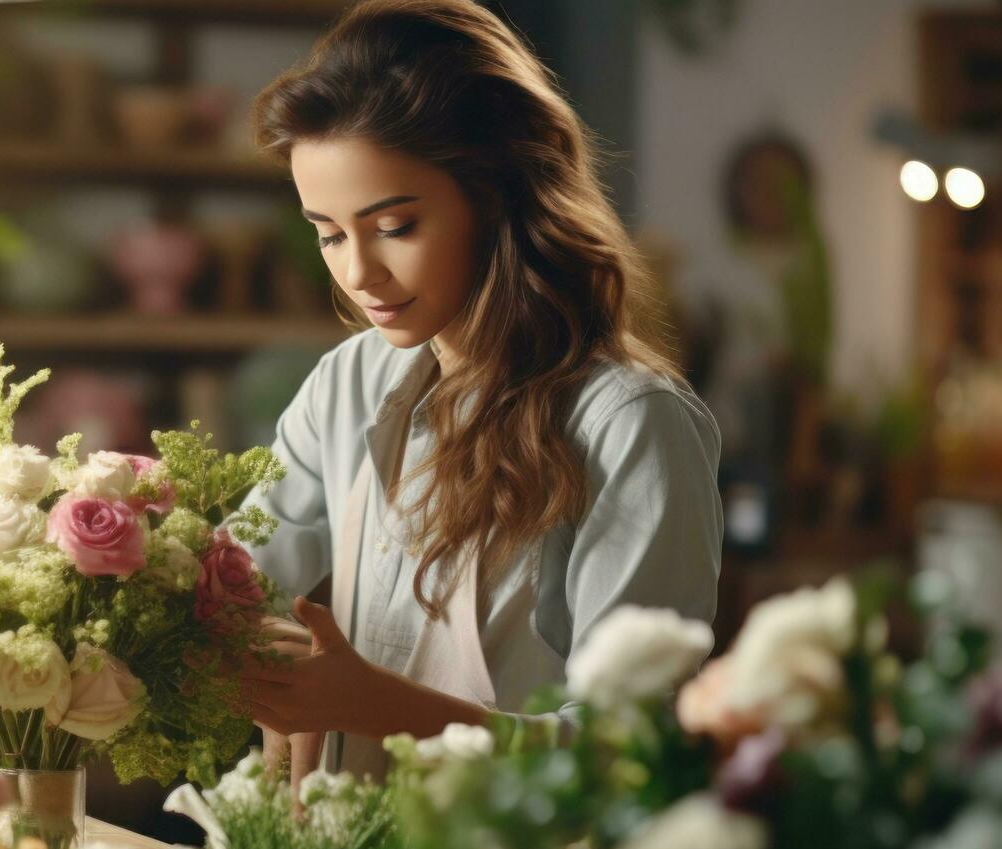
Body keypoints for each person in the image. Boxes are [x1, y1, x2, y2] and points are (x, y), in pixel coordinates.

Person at [235, 0, 724, 783]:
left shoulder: (630, 425)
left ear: (498, 198)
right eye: (328, 234)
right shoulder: (349, 382)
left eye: (393, 225)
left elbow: (628, 753)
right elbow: (237, 580)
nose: (358, 274)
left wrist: (371, 706)